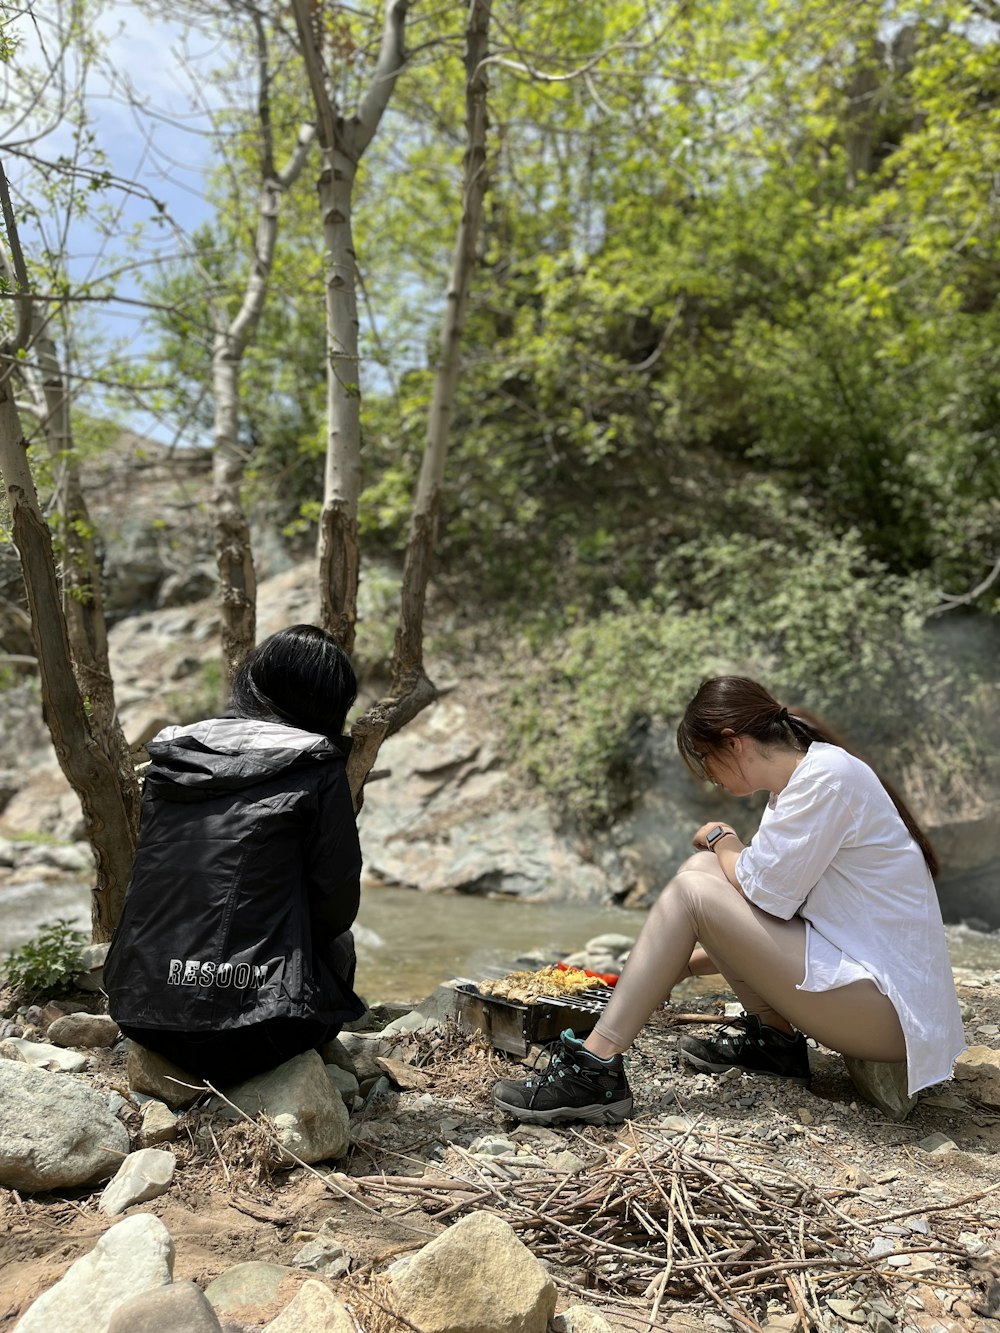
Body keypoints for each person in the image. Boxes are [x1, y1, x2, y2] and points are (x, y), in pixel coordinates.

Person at [493, 675, 965, 1124]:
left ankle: (595, 1067)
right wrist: (675, 963)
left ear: (732, 742)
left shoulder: (824, 781)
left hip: (890, 1017)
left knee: (695, 885)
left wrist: (724, 838)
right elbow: (763, 919)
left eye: (704, 758)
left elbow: (760, 891)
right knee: (699, 873)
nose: (707, 777)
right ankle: (774, 1043)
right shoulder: (806, 781)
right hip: (868, 996)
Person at [104, 624, 366, 1087]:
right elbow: (336, 908)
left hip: (141, 1014)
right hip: (264, 1032)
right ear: (331, 705)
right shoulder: (318, 765)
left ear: (253, 682)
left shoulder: (174, 759)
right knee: (338, 945)